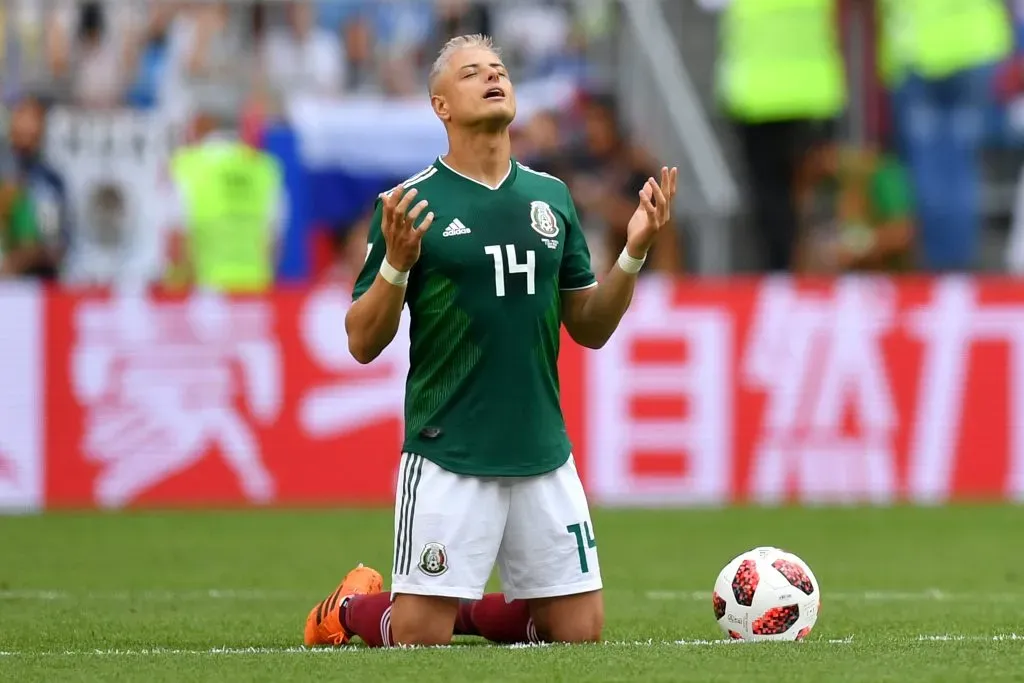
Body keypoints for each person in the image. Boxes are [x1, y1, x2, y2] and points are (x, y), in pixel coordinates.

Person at [303, 34, 677, 648]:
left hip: (540, 447)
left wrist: (634, 252)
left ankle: (462, 612)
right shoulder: (408, 203)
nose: (492, 77)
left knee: (579, 631)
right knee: (420, 637)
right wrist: (396, 264)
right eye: (472, 73)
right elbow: (361, 341)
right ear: (440, 105)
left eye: (499, 69)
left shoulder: (550, 198)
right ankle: (348, 610)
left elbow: (590, 324)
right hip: (450, 449)